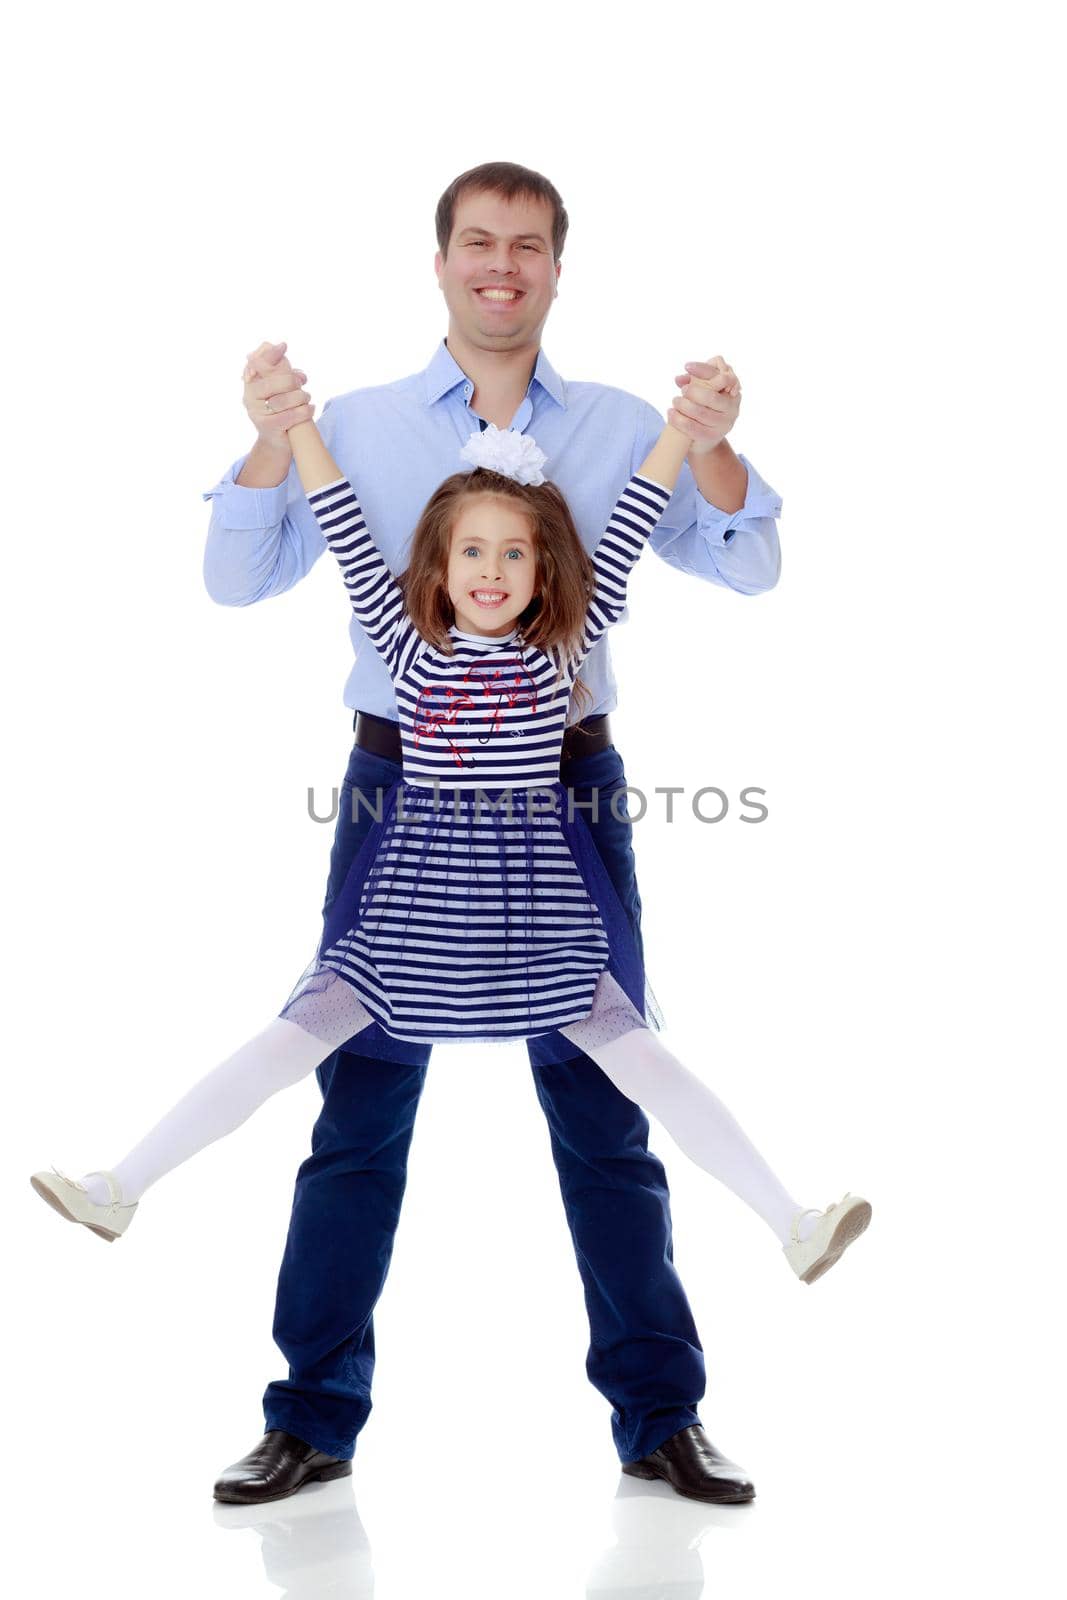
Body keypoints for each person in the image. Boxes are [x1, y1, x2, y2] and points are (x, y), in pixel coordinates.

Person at [37, 160, 801, 1509]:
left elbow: (741, 561)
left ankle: (659, 1416)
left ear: (560, 267)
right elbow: (240, 575)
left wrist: (713, 436)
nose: (502, 266)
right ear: (440, 259)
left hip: (568, 797)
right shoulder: (366, 424)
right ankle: (313, 1415)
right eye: (477, 243)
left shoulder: (627, 423)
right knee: (357, 1102)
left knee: (610, 1101)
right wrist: (276, 431)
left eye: (529, 247)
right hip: (398, 797)